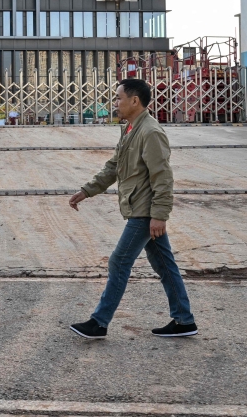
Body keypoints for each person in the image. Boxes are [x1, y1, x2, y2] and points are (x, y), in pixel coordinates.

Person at [67, 78, 198, 340]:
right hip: (139, 208)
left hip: (145, 212)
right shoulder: (130, 129)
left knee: (119, 261)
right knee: (163, 264)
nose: (115, 103)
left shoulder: (150, 132)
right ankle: (184, 320)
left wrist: (159, 215)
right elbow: (114, 166)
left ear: (134, 101)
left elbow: (162, 177)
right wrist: (87, 190)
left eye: (118, 98)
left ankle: (99, 322)